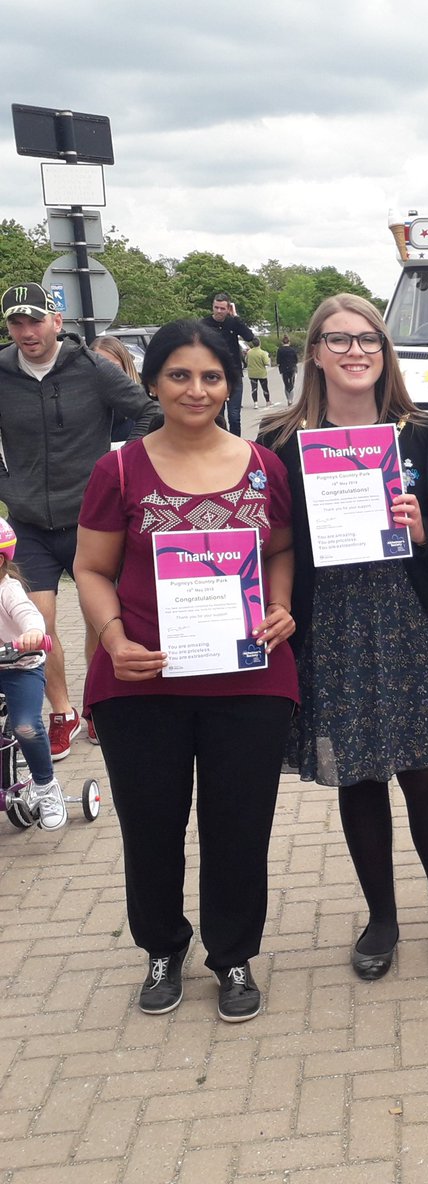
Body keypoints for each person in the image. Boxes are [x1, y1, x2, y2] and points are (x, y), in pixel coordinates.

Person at [74, 320, 298, 1022]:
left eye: (211, 376)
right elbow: (91, 568)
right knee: (151, 826)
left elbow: (281, 549)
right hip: (143, 681)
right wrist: (112, 639)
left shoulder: (263, 467)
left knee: (239, 826)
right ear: (152, 383)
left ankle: (233, 956)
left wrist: (282, 605)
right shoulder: (119, 470)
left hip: (249, 680)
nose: (195, 390)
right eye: (179, 375)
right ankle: (163, 948)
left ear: (229, 385)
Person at [258, 295, 428, 981]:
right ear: (314, 352)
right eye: (339, 339)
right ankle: (381, 917)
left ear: (385, 352)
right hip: (332, 623)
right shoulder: (279, 442)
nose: (356, 351)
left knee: (426, 773)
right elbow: (274, 539)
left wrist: (425, 529)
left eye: (369, 340)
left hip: (411, 617)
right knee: (356, 775)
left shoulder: (421, 433)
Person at [0, 282, 161, 762]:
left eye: (35, 321)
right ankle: (61, 712)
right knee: (36, 623)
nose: (27, 332)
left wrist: (118, 464)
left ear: (56, 321)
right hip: (28, 522)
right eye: (16, 323)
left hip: (89, 520)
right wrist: (6, 486)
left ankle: (96, 704)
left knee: (98, 617)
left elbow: (149, 411)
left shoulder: (90, 368)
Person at [0, 517, 61, 829]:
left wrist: (32, 634)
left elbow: (29, 615)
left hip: (20, 667)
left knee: (25, 726)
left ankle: (45, 785)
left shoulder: (8, 590)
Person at [202, 292, 255, 436]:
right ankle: (217, 442)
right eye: (216, 308)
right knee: (217, 416)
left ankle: (235, 442)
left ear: (228, 309)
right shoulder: (204, 324)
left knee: (234, 416)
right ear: (212, 307)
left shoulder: (233, 323)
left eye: (222, 308)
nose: (219, 311)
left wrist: (236, 316)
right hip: (213, 376)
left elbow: (249, 336)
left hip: (234, 375)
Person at [91, 335, 145, 446]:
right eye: (99, 368)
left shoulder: (144, 404)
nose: (107, 374)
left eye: (114, 368)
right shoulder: (81, 407)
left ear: (126, 367)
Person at [246, 338, 271, 409]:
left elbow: (246, 360)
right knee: (265, 388)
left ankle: (255, 403)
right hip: (261, 373)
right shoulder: (262, 353)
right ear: (259, 343)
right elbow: (266, 363)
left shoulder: (249, 352)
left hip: (252, 373)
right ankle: (267, 401)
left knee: (254, 388)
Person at [277, 334, 299, 404]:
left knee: (286, 383)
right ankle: (291, 399)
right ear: (289, 342)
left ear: (282, 342)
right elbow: (296, 360)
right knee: (292, 383)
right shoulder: (293, 350)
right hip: (292, 368)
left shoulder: (280, 350)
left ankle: (288, 399)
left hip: (283, 369)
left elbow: (278, 361)